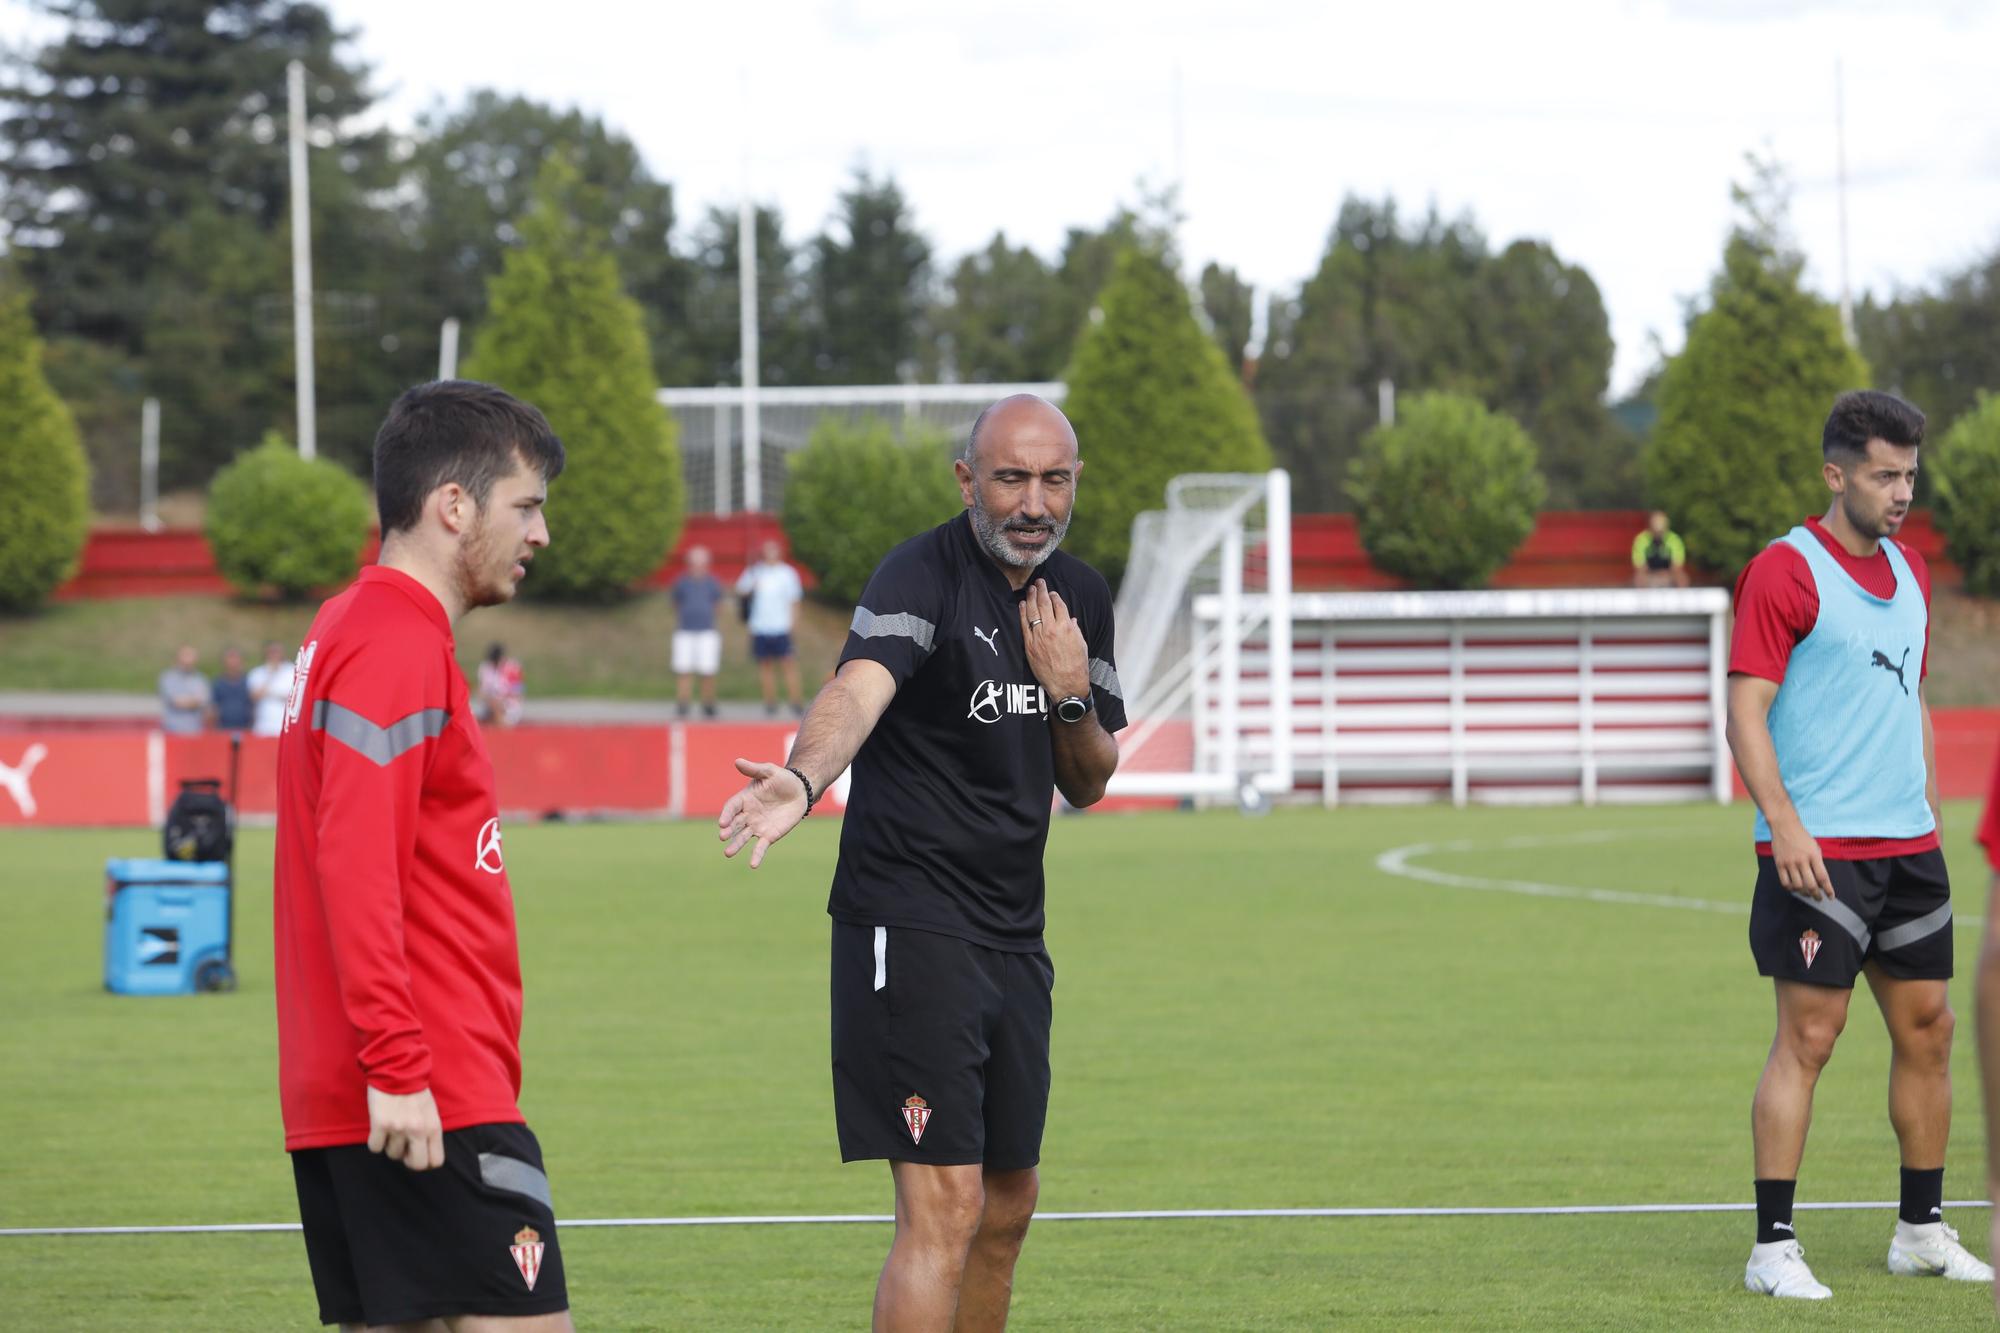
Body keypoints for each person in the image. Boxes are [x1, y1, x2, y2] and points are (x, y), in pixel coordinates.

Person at [719, 394, 1126, 1331]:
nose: (1034, 501)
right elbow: (856, 692)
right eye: (1012, 477)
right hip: (907, 921)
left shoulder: (1084, 598)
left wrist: (1070, 695)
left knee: (1008, 1203)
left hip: (1013, 933)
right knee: (942, 1206)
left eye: (1053, 479)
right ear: (967, 479)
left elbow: (1093, 778)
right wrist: (803, 776)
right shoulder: (921, 573)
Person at [272, 379, 573, 1331]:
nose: (540, 534)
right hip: (426, 1090)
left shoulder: (346, 627)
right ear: (455, 505)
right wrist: (401, 1068)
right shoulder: (395, 644)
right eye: (526, 506)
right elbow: (355, 865)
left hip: (366, 1085)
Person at [1729, 390, 1991, 1300]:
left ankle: (1920, 1230)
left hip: (1909, 849)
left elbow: (1907, 698)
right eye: (1885, 474)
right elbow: (1745, 711)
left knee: (1931, 1030)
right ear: (1836, 474)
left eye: (1910, 474)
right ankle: (1772, 1249)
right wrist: (1786, 823)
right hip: (1818, 850)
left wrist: (1926, 800)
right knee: (1810, 1035)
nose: (1901, 490)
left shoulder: (1914, 575)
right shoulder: (1785, 571)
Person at [736, 538, 805, 716]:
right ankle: (770, 701)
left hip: (781, 626)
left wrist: (793, 625)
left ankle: (795, 701)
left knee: (788, 664)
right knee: (765, 665)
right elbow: (741, 591)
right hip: (761, 626)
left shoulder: (788, 573)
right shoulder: (755, 572)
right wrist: (751, 587)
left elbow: (794, 601)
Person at [669, 545, 725, 719]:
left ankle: (708, 703)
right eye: (694, 562)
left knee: (707, 670)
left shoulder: (712, 582)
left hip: (707, 631)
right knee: (684, 669)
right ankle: (683, 703)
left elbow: (718, 605)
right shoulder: (681, 582)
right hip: (685, 631)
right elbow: (676, 602)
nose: (698, 566)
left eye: (701, 562)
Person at [247, 640, 296, 738]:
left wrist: (269, 694)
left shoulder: (292, 671)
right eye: (272, 652)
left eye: (277, 652)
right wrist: (271, 675)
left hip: (285, 726)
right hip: (263, 726)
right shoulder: (257, 673)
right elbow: (255, 696)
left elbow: (294, 698)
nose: (274, 655)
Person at [158, 644, 210, 735]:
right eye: (186, 656)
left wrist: (188, 701)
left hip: (194, 731)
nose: (188, 660)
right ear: (178, 657)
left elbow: (203, 701)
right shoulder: (168, 678)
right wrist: (194, 701)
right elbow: (175, 701)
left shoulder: (200, 679)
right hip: (172, 731)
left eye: (191, 656)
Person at [1631, 510, 1689, 588]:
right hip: (1649, 575)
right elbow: (1641, 567)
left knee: (1681, 577)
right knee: (1639, 577)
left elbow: (1677, 567)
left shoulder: (1674, 539)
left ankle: (1681, 598)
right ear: (1650, 526)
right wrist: (1655, 576)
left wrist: (1664, 575)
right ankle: (1642, 599)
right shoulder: (1641, 539)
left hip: (1669, 575)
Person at [477, 643, 525, 728]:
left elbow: (518, 692)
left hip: (508, 705)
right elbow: (481, 692)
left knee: (496, 707)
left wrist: (501, 701)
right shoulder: (485, 668)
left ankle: (502, 724)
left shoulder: (512, 668)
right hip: (489, 704)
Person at [210, 647, 253, 732]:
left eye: (235, 658)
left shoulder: (249, 681)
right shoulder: (218, 683)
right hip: (223, 729)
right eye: (230, 658)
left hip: (246, 729)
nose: (233, 662)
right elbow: (213, 707)